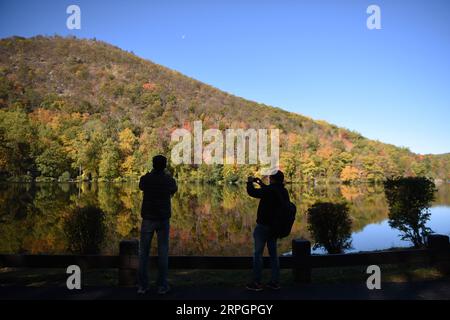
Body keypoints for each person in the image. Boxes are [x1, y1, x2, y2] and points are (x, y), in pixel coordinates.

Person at [137, 155, 177, 295]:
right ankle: (162, 286)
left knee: (143, 253)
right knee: (163, 253)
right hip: (163, 219)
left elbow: (141, 185)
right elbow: (173, 190)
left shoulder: (146, 178)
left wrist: (149, 174)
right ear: (165, 166)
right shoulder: (169, 180)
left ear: (153, 165)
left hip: (148, 218)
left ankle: (143, 286)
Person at [246, 170, 289, 291]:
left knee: (258, 254)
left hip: (263, 227)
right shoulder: (283, 191)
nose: (269, 179)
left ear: (272, 179)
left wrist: (250, 182)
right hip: (275, 228)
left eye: (270, 178)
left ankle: (256, 283)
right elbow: (272, 192)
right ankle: (274, 282)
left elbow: (252, 192)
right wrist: (261, 184)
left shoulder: (269, 190)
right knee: (274, 255)